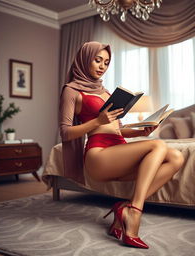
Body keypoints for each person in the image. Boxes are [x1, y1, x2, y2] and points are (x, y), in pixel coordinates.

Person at [59, 41, 184, 249]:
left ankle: (126, 208)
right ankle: (134, 214)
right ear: (84, 59)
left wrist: (140, 131)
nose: (102, 66)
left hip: (117, 150)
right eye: (97, 60)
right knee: (157, 146)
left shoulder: (107, 92)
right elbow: (65, 132)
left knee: (176, 157)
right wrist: (97, 121)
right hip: (99, 155)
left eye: (106, 62)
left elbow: (116, 129)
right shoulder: (71, 91)